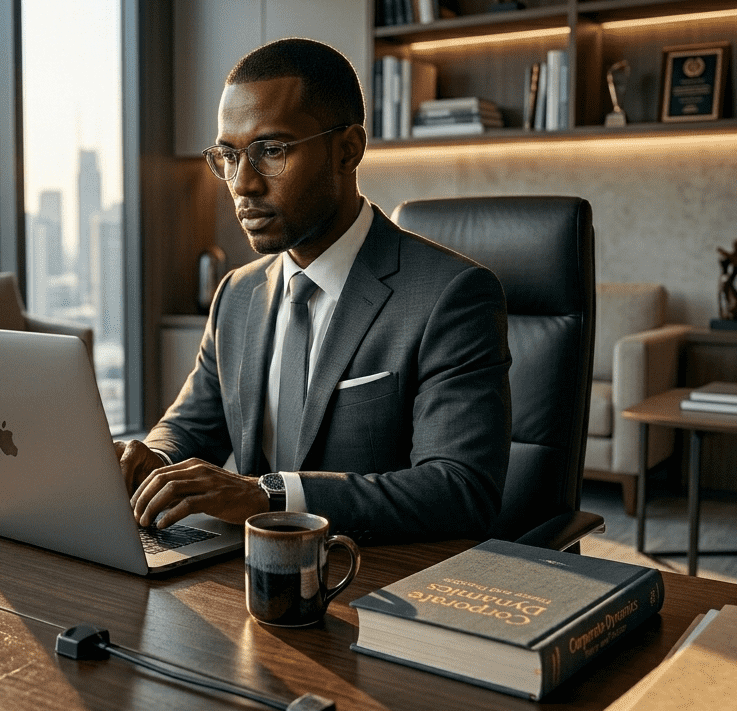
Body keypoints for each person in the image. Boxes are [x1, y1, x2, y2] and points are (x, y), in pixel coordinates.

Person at [115, 38, 511, 544]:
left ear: (347, 150)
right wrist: (154, 459)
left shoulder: (452, 296)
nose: (242, 183)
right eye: (229, 155)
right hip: (249, 579)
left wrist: (269, 494)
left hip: (376, 584)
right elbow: (190, 426)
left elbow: (459, 490)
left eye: (270, 151)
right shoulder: (237, 293)